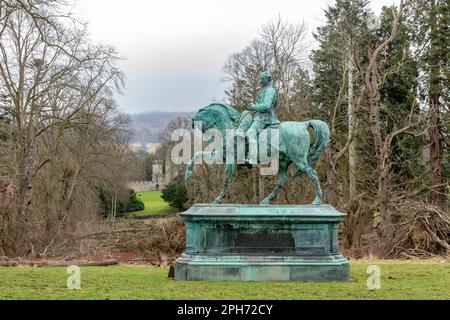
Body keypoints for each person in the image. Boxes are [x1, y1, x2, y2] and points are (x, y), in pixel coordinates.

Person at [245, 70, 280, 163]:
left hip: (265, 118)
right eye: (260, 79)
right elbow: (260, 104)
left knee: (250, 133)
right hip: (260, 116)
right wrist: (252, 107)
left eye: (262, 79)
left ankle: (252, 158)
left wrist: (254, 106)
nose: (260, 81)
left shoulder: (270, 90)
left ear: (268, 79)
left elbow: (267, 105)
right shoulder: (263, 89)